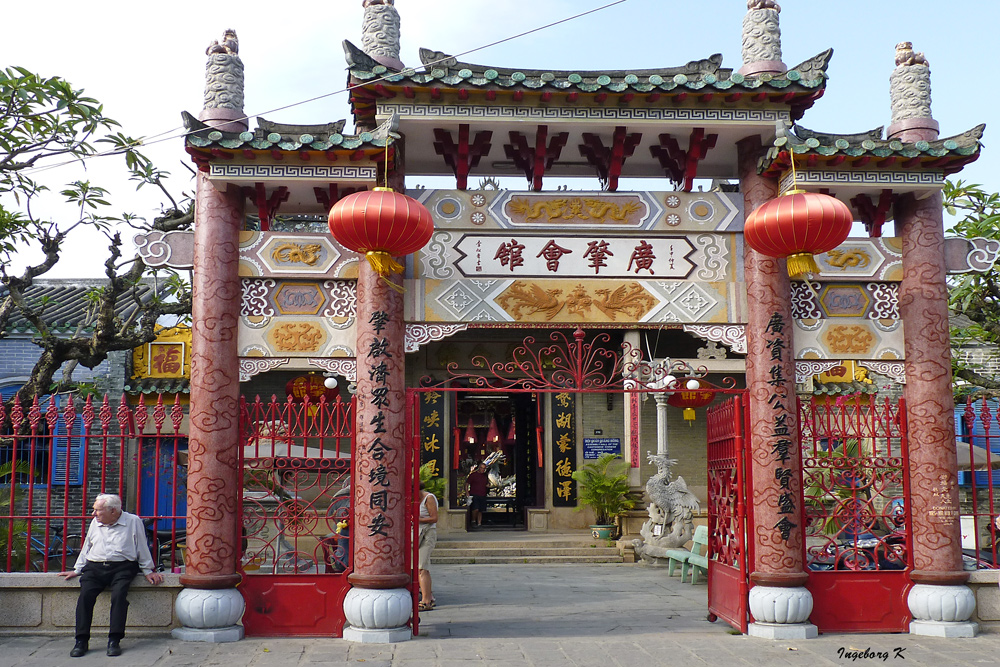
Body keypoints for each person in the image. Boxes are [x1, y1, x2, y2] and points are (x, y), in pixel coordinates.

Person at [59, 494, 163, 658]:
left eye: (97, 511)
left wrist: (148, 570)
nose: (94, 514)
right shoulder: (96, 522)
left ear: (113, 511)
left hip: (122, 567)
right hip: (94, 566)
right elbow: (87, 545)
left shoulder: (133, 521)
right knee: (85, 596)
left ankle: (114, 640)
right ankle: (81, 641)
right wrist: (77, 569)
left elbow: (141, 545)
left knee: (119, 596)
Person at [417, 481, 438, 612]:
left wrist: (417, 519)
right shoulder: (408, 499)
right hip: (415, 535)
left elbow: (434, 518)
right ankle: (428, 595)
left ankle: (426, 601)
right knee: (417, 567)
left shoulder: (428, 498)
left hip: (427, 534)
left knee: (422, 567)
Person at [466, 463, 489, 529]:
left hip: (482, 494)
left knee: (480, 510)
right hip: (474, 494)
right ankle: (473, 520)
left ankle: (479, 523)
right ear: (479, 468)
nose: (483, 470)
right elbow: (467, 484)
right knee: (475, 509)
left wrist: (488, 486)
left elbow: (487, 484)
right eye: (482, 468)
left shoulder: (485, 476)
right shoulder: (473, 475)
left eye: (484, 468)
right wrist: (467, 492)